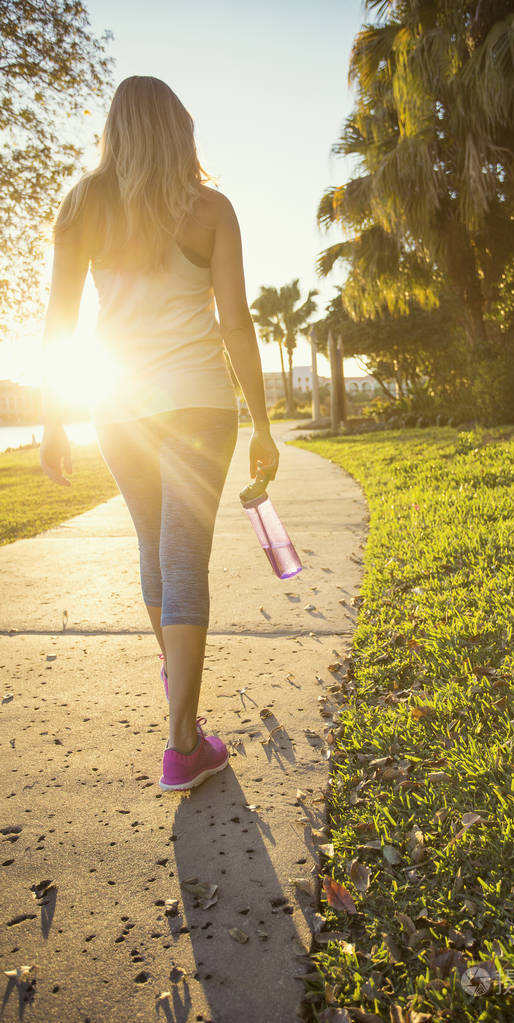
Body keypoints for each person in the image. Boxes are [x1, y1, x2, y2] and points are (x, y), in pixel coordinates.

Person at [40, 75, 280, 792]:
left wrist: (56, 418)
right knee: (181, 556)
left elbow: (59, 323)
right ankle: (182, 738)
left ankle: (183, 714)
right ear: (179, 130)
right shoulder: (210, 209)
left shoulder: (82, 206)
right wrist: (263, 422)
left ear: (115, 131)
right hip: (200, 407)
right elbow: (235, 321)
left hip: (119, 411)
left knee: (158, 551)